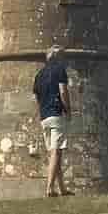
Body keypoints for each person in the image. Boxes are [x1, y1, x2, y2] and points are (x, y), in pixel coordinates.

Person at [32, 46, 71, 197]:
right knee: (56, 151)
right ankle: (49, 188)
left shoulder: (39, 74)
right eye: (62, 56)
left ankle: (62, 189)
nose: (64, 59)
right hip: (56, 114)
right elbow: (63, 91)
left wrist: (41, 111)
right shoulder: (59, 70)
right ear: (56, 57)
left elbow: (36, 96)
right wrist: (68, 109)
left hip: (44, 116)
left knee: (54, 152)